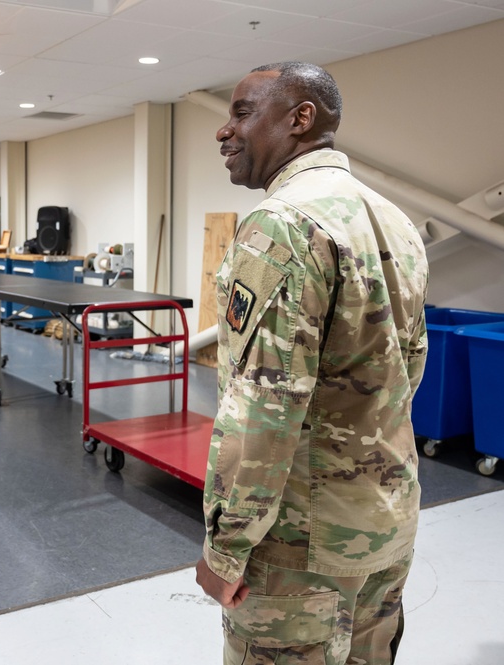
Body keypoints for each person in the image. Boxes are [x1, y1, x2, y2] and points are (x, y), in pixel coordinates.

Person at [194, 62, 428, 664]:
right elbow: (409, 367)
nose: (224, 131)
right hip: (384, 521)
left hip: (301, 545)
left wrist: (226, 548)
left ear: (301, 119)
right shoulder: (394, 221)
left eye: (242, 112)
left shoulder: (283, 226)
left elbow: (260, 409)